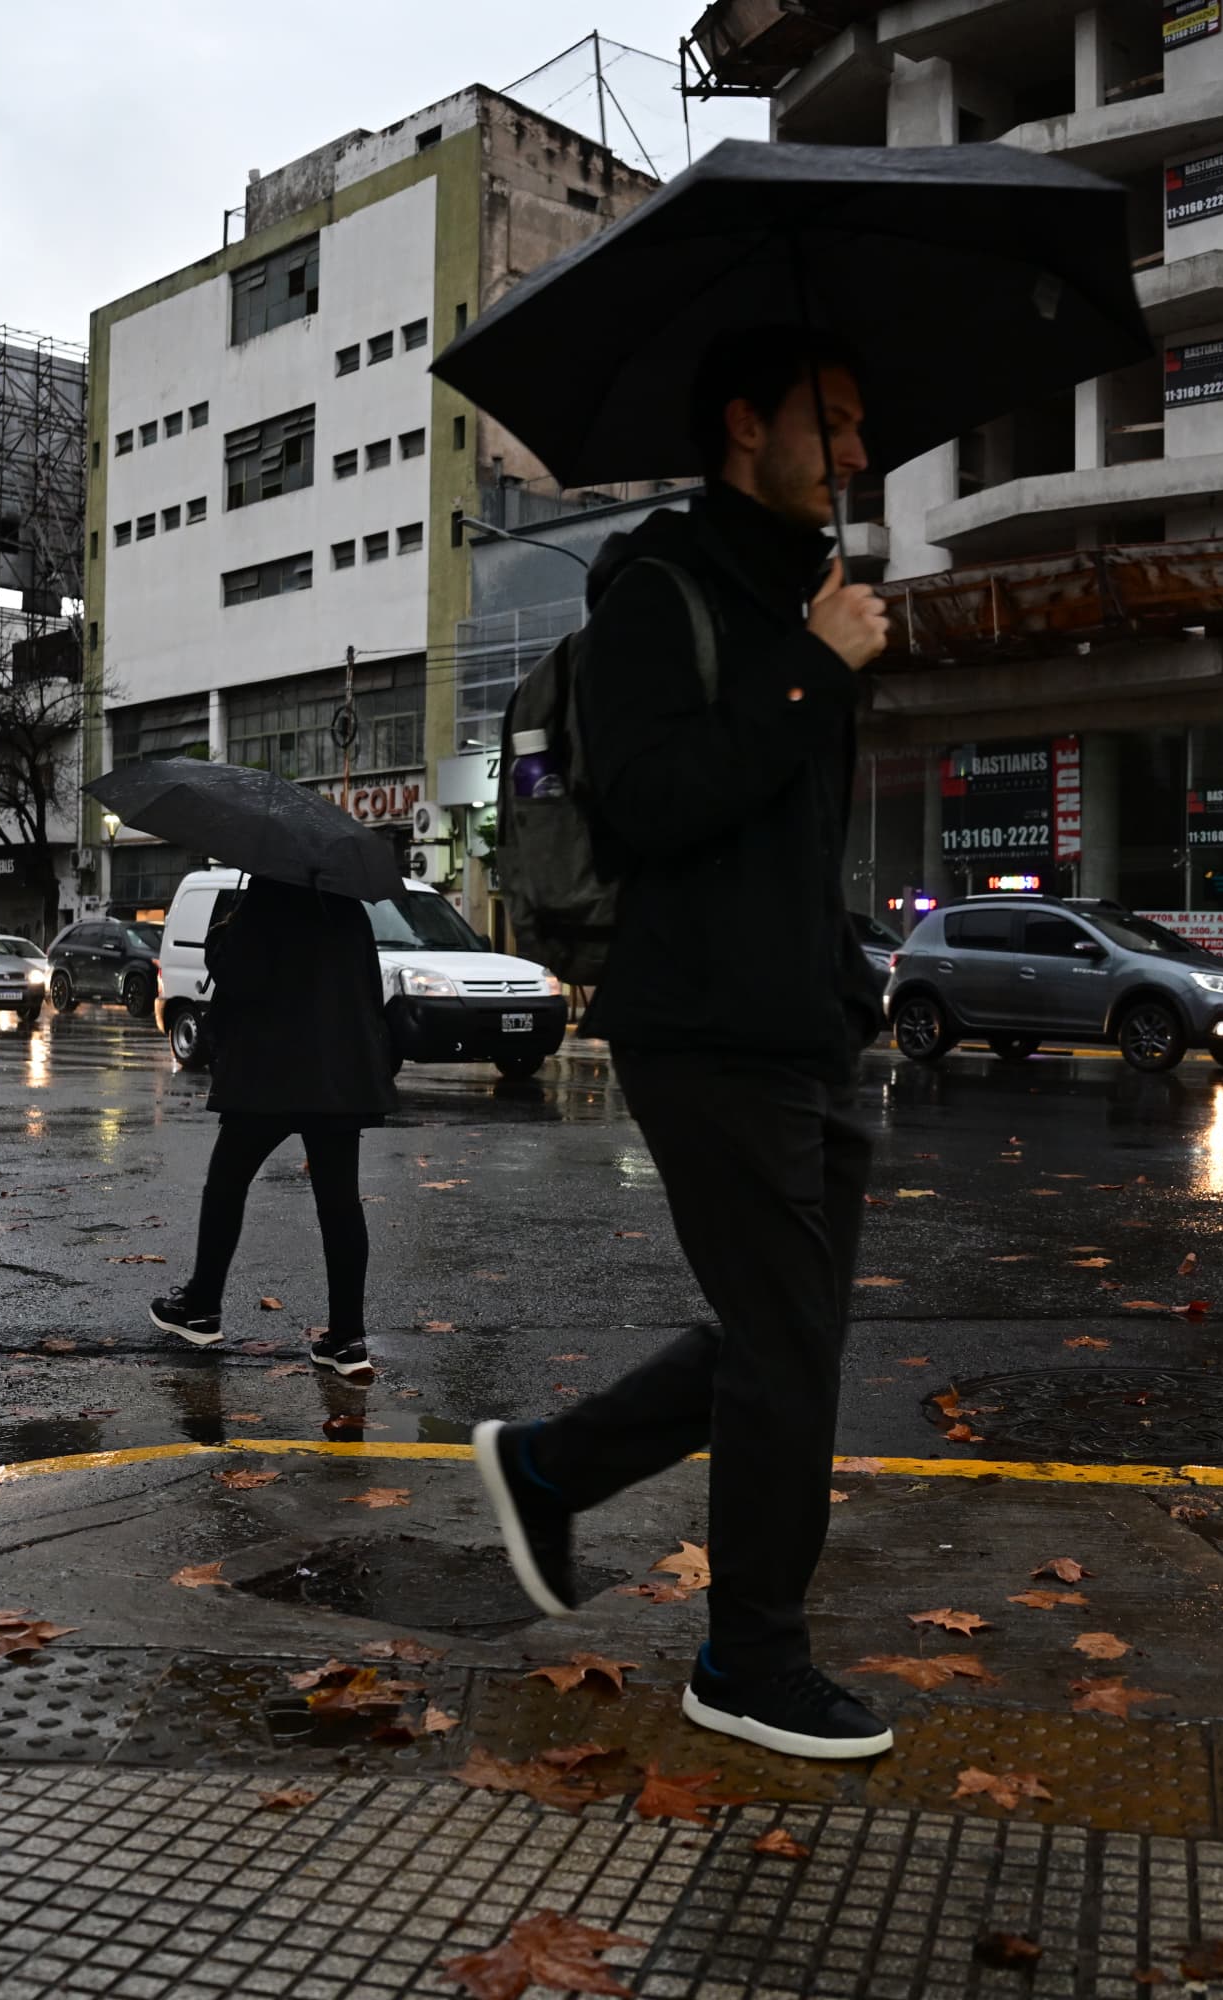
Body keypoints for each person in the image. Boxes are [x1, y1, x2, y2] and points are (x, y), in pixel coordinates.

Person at [472, 325, 896, 1761]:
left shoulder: (799, 600)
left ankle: (548, 1466)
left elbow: (789, 842)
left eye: (857, 424)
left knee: (796, 1341)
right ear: (741, 427)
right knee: (786, 1354)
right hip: (701, 1026)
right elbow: (658, 803)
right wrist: (811, 670)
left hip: (804, 1024)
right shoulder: (659, 593)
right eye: (827, 417)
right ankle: (749, 1658)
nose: (853, 450)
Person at [148, 875, 397, 1381]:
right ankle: (347, 1339)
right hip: (336, 1078)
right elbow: (369, 988)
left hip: (270, 1075)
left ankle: (201, 1305)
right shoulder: (347, 905)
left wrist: (225, 932)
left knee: (227, 1182)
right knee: (340, 1202)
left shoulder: (267, 896)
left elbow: (240, 975)